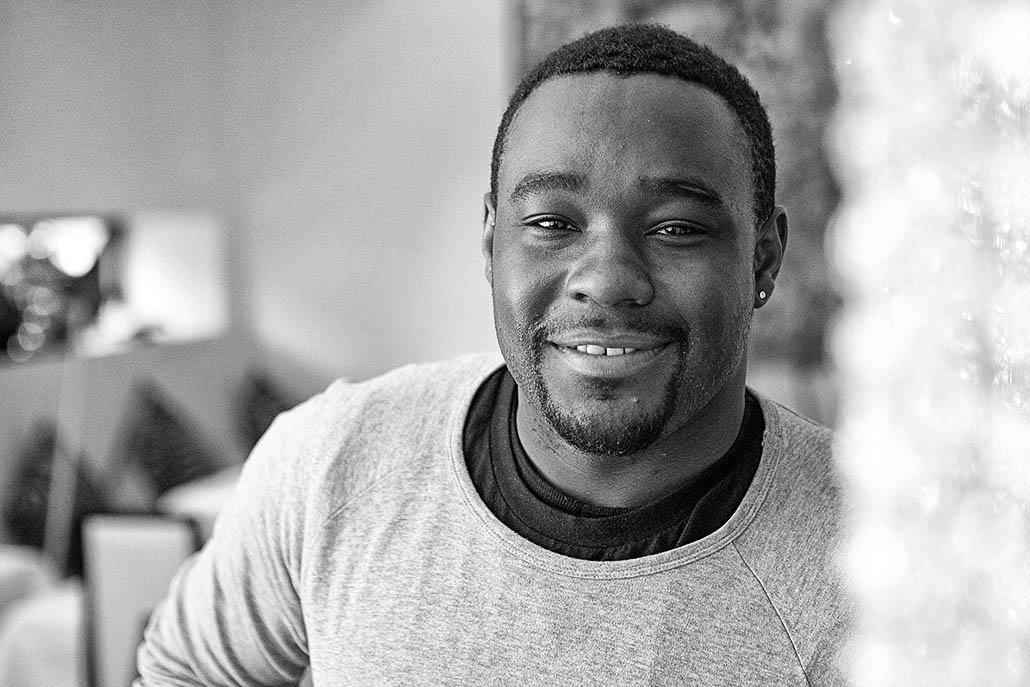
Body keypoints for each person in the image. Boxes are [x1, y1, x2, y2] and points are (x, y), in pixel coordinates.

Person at [137, 24, 849, 686]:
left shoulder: (870, 560)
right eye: (551, 222)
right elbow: (183, 670)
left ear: (764, 257)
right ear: (490, 241)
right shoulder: (332, 464)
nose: (606, 280)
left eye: (676, 228)